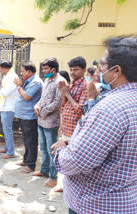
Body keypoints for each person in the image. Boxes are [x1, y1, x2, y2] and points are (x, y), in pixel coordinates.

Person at [52, 36, 137, 214]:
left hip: (97, 203)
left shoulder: (111, 108)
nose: (98, 70)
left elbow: (76, 161)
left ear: (116, 71)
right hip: (123, 199)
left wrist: (60, 151)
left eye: (102, 65)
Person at [33, 57, 65, 188]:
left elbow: (58, 101)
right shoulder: (47, 80)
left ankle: (53, 177)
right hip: (41, 119)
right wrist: (37, 105)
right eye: (43, 68)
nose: (44, 71)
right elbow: (43, 97)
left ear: (53, 69)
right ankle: (44, 170)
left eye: (46, 68)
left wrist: (44, 111)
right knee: (43, 148)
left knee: (52, 149)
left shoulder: (60, 81)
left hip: (51, 121)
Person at [13, 61, 43, 173]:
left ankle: (31, 165)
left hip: (30, 116)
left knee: (31, 141)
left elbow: (26, 96)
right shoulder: (28, 81)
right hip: (23, 115)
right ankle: (26, 160)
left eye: (22, 71)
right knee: (26, 139)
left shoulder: (36, 82)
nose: (21, 74)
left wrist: (19, 87)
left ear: (29, 71)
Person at [0, 60, 19, 159]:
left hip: (9, 107)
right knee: (5, 129)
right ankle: (7, 147)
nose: (0, 70)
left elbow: (6, 92)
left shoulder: (13, 77)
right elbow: (4, 88)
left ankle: (11, 152)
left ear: (5, 68)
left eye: (0, 68)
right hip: (4, 106)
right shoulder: (7, 76)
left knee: (7, 130)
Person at [58, 57, 88, 141]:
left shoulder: (86, 86)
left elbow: (81, 110)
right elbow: (63, 107)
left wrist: (67, 94)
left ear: (84, 70)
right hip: (66, 129)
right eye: (71, 70)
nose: (72, 73)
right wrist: (63, 92)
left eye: (76, 70)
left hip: (75, 131)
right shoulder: (71, 84)